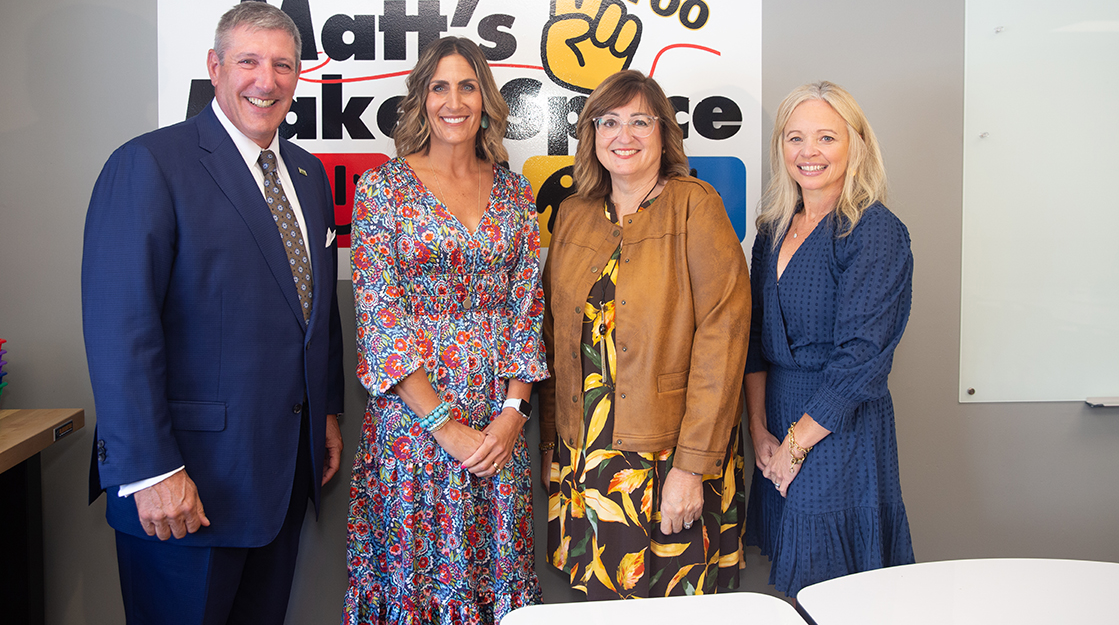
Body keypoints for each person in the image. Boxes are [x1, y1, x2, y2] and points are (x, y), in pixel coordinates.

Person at [82, 1, 345, 624]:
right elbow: (121, 333)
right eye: (249, 61)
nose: (266, 81)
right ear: (215, 66)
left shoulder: (307, 174)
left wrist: (327, 412)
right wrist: (152, 470)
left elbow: (315, 313)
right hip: (185, 485)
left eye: (283, 65)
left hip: (281, 474)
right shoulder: (149, 163)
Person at [344, 36, 547, 623]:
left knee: (493, 576)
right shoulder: (382, 190)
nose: (453, 101)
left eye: (467, 86)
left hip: (495, 432)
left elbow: (526, 310)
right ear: (421, 99)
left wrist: (512, 416)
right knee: (414, 579)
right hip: (413, 430)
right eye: (439, 87)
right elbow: (380, 318)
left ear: (486, 99)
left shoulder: (515, 192)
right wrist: (443, 425)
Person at [538, 69, 750, 599]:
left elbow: (723, 337)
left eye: (640, 121)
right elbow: (554, 339)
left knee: (674, 604)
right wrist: (550, 444)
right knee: (600, 604)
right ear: (591, 134)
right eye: (608, 122)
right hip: (587, 456)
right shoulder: (573, 215)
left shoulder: (694, 205)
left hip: (668, 456)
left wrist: (691, 469)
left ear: (663, 133)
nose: (623, 135)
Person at [744, 81, 914, 596]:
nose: (809, 152)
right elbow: (754, 337)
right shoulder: (772, 228)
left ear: (856, 144)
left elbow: (862, 358)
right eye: (795, 138)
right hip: (777, 419)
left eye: (826, 137)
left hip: (839, 427)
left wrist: (795, 447)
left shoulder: (874, 230)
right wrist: (760, 431)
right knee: (792, 586)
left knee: (832, 591)